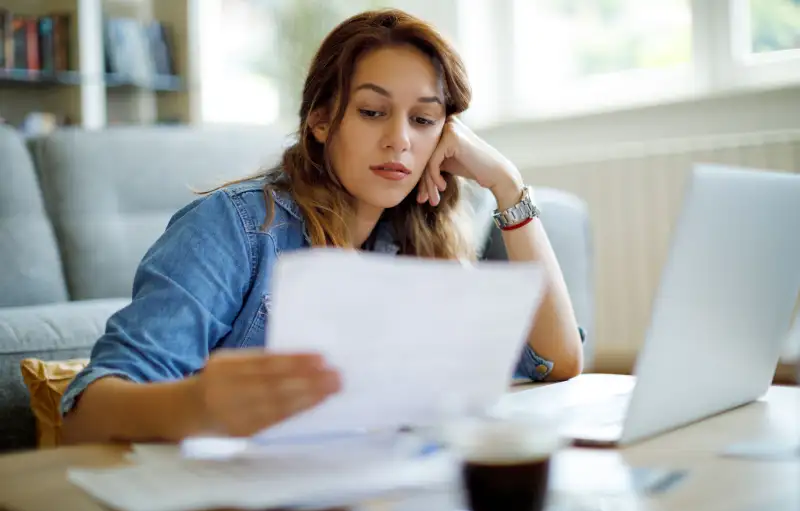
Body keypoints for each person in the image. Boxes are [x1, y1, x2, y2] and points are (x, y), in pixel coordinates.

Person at [60, 8, 585, 445]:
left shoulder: (419, 239)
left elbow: (555, 362)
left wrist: (508, 186)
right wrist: (195, 405)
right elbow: (84, 415)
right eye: (373, 111)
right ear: (320, 120)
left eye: (423, 120)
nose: (400, 140)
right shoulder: (236, 226)